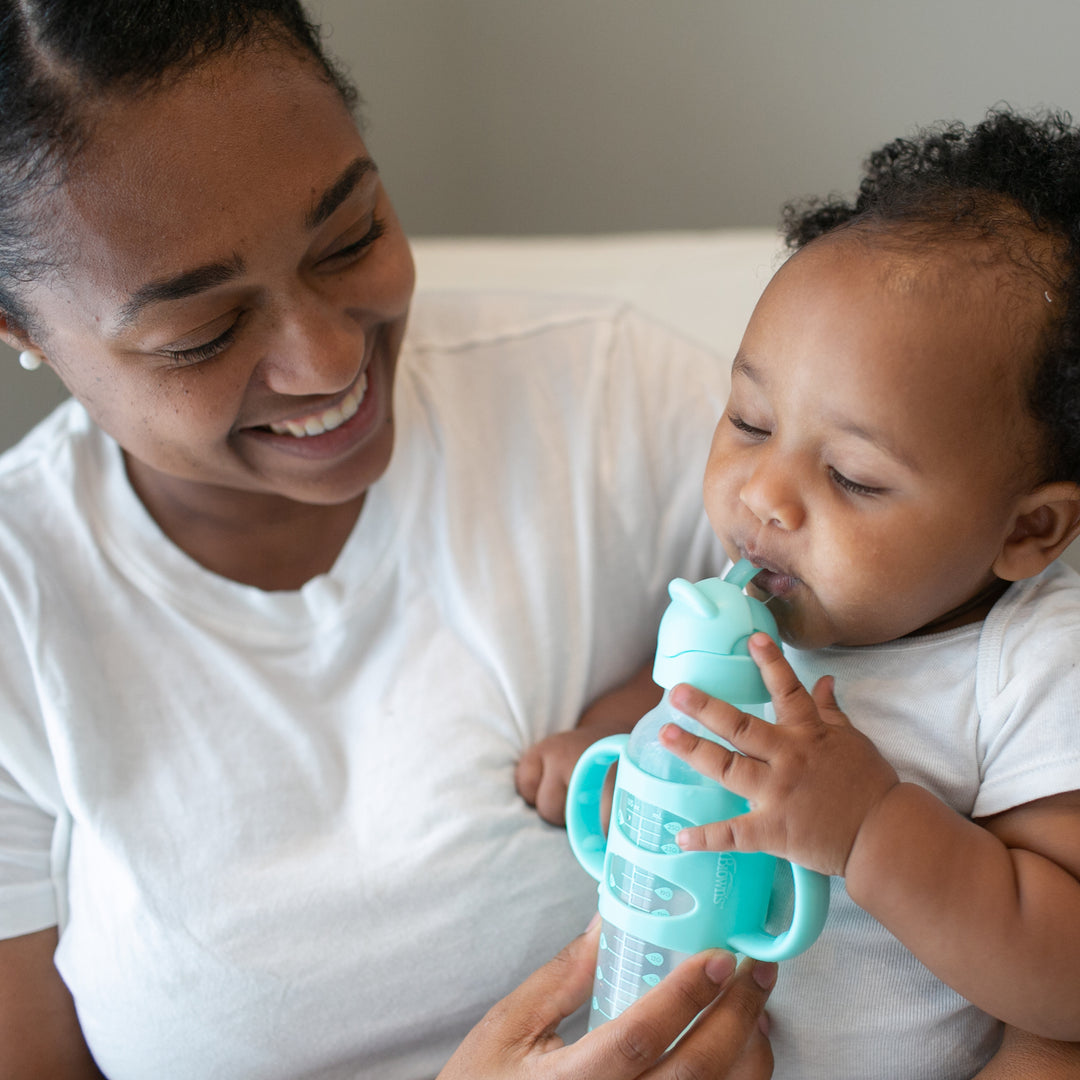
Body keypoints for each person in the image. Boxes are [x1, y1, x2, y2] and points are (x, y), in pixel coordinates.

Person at [0, 1, 786, 1077]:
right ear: (20, 331)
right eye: (204, 334)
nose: (327, 361)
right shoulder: (19, 601)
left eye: (351, 236)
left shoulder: (611, 404)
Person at [519, 110, 1080, 1078]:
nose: (766, 496)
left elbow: (1065, 977)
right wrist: (609, 749)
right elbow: (683, 707)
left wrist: (870, 826)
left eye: (855, 477)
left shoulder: (1031, 664)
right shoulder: (767, 599)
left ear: (1027, 530)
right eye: (749, 421)